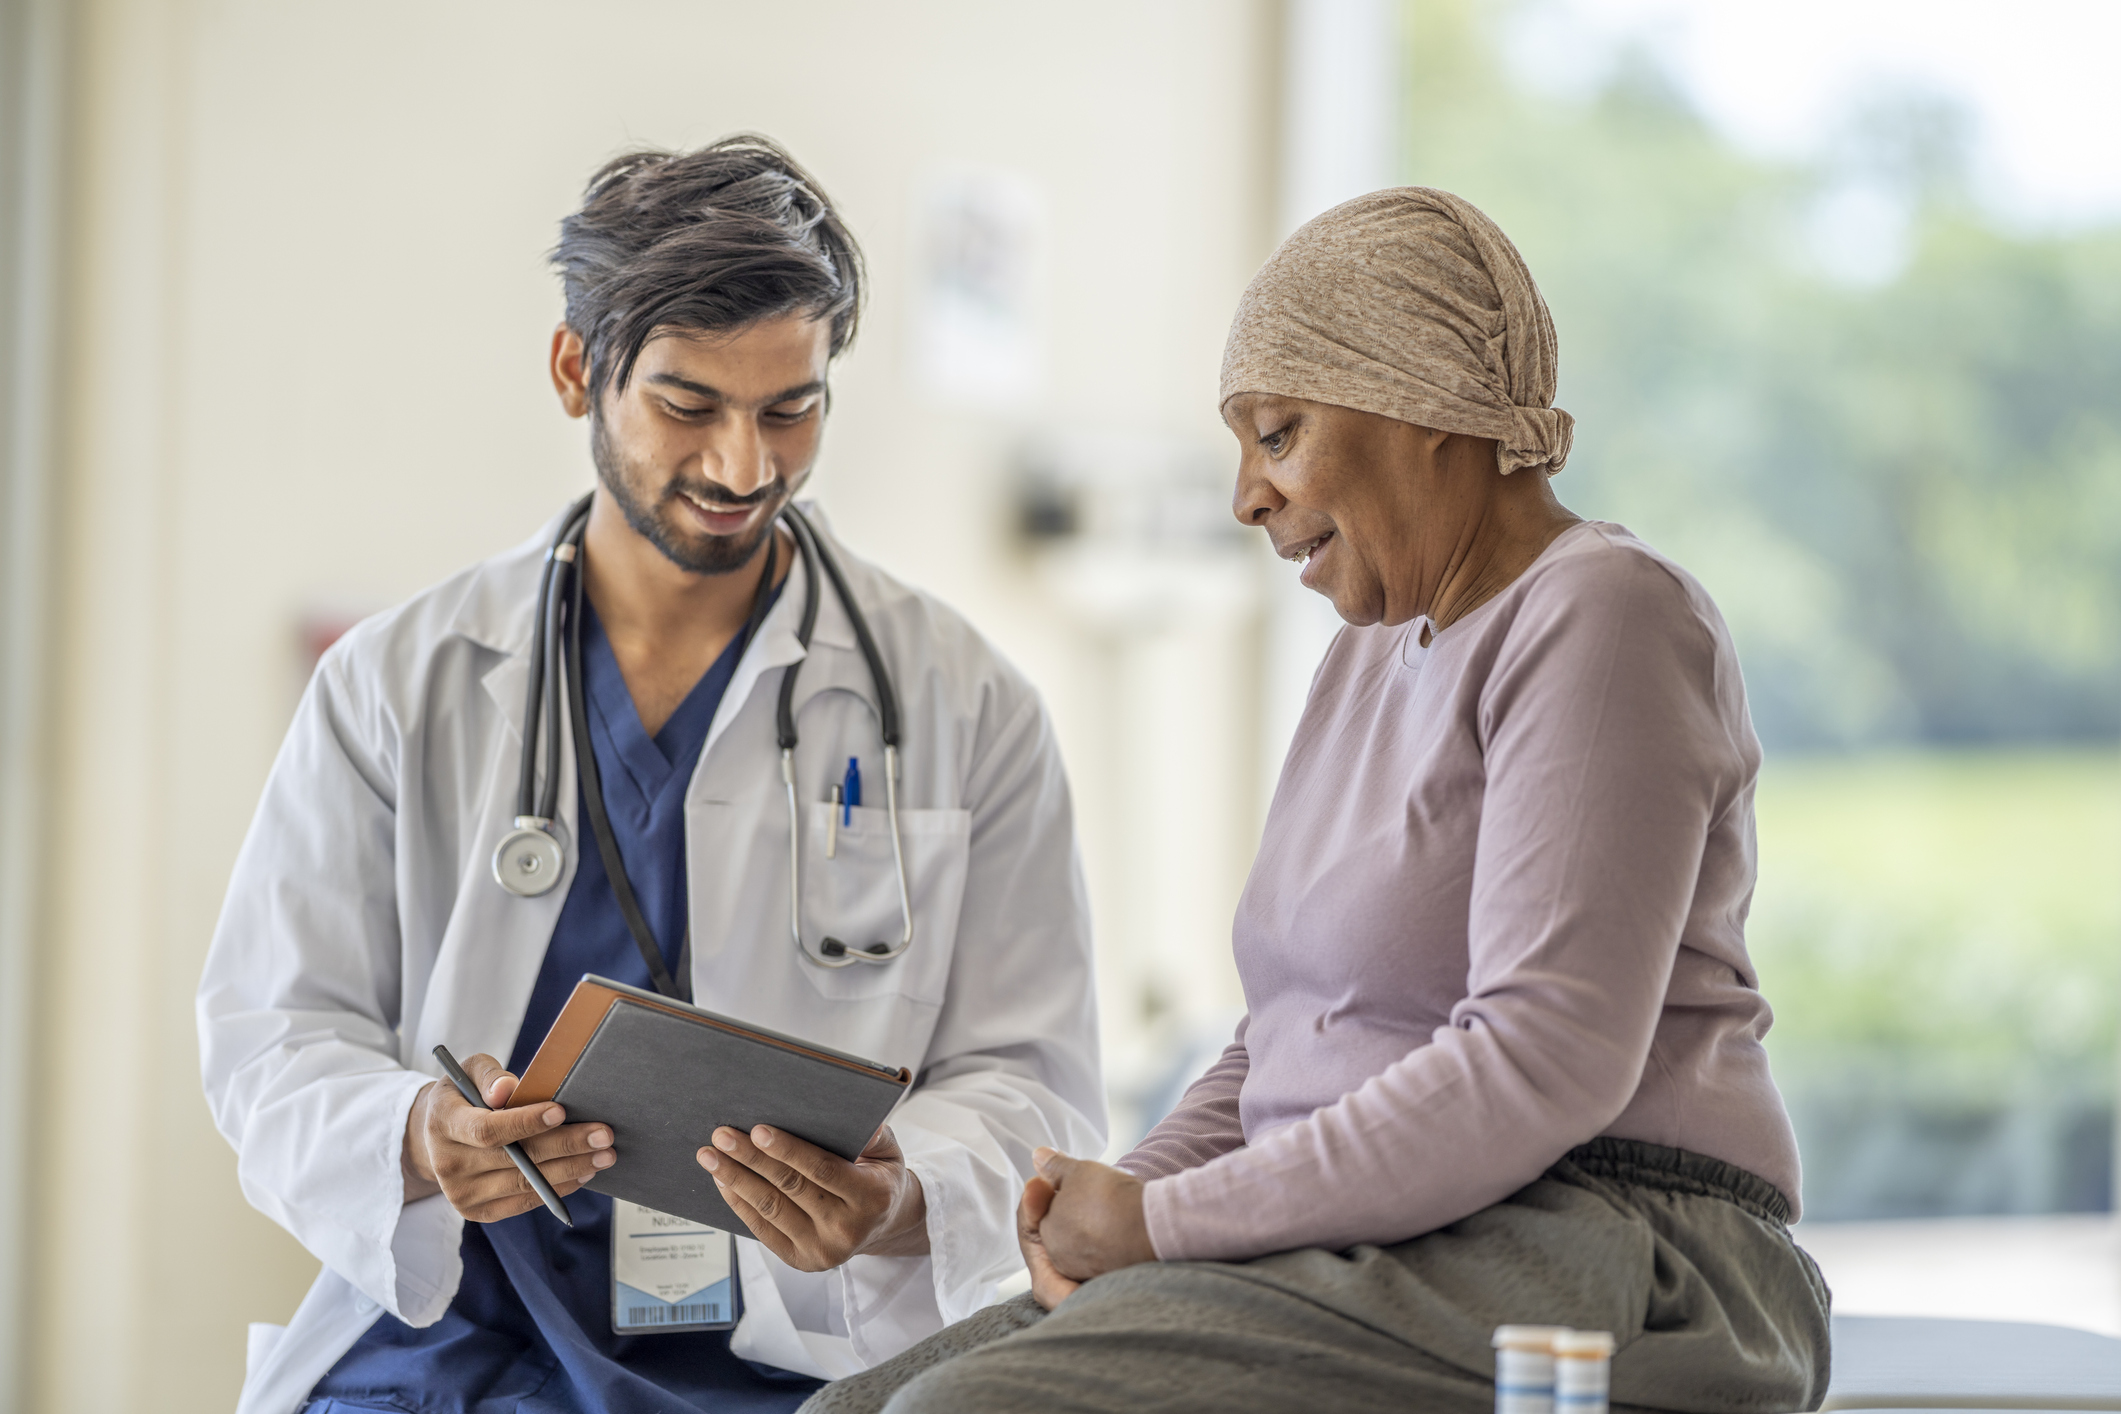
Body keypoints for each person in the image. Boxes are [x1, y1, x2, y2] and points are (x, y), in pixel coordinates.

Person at [800, 188, 1833, 1414]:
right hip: (1397, 1237)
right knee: (847, 1411)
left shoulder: (1603, 612)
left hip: (1617, 1243)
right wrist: (1104, 1202)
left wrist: (1166, 1221)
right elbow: (1286, 1037)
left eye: (1279, 434)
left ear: (1428, 409)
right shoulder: (1369, 656)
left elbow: (1545, 1057)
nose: (1246, 495)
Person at [197, 136, 1105, 1414]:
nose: (746, 468)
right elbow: (272, 1035)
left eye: (791, 408)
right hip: (459, 1336)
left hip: (793, 1357)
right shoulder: (399, 684)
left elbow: (1037, 1081)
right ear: (578, 371)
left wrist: (901, 1196)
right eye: (689, 405)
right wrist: (415, 1138)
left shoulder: (968, 704)